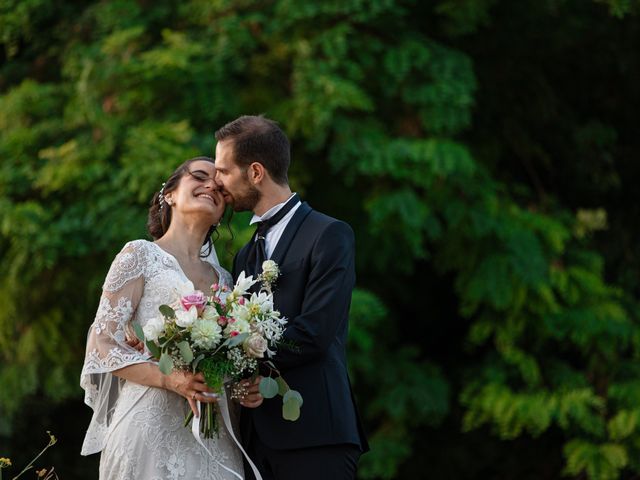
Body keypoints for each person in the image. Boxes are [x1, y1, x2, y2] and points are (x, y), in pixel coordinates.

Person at [80, 156, 262, 479]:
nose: (211, 186)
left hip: (213, 441)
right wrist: (167, 377)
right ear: (170, 194)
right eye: (199, 177)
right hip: (147, 432)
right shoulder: (139, 257)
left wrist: (240, 390)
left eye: (219, 186)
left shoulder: (228, 283)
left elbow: (224, 369)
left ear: (222, 214)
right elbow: (102, 344)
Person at [214, 116, 369, 480]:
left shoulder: (329, 234)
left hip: (315, 434)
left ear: (255, 172)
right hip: (254, 443)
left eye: (223, 171)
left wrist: (250, 363)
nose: (217, 183)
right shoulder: (244, 255)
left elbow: (315, 332)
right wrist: (239, 381)